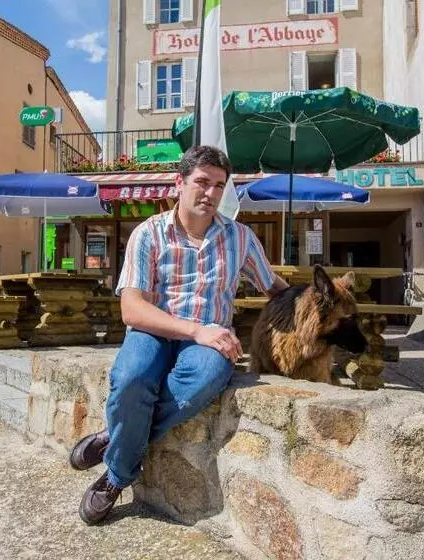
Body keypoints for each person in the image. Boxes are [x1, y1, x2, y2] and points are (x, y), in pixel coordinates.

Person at [70, 145, 290, 525]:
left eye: (219, 185)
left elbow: (276, 289)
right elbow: (132, 308)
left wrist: (319, 302)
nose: (210, 193)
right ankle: (123, 445)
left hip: (207, 341)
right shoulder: (148, 233)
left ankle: (117, 458)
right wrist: (195, 330)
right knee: (132, 378)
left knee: (203, 379)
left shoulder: (240, 238)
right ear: (180, 182)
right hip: (154, 329)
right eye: (202, 182)